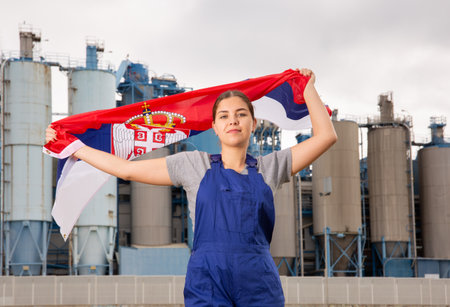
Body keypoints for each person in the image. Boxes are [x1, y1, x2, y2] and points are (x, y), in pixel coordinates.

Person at [46, 68, 337, 306]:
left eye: (241, 114)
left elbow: (326, 137)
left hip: (258, 282)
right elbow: (127, 169)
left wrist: (308, 85)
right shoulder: (193, 165)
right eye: (224, 115)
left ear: (253, 123)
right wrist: (75, 148)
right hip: (207, 281)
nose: (232, 120)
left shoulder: (270, 168)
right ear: (213, 125)